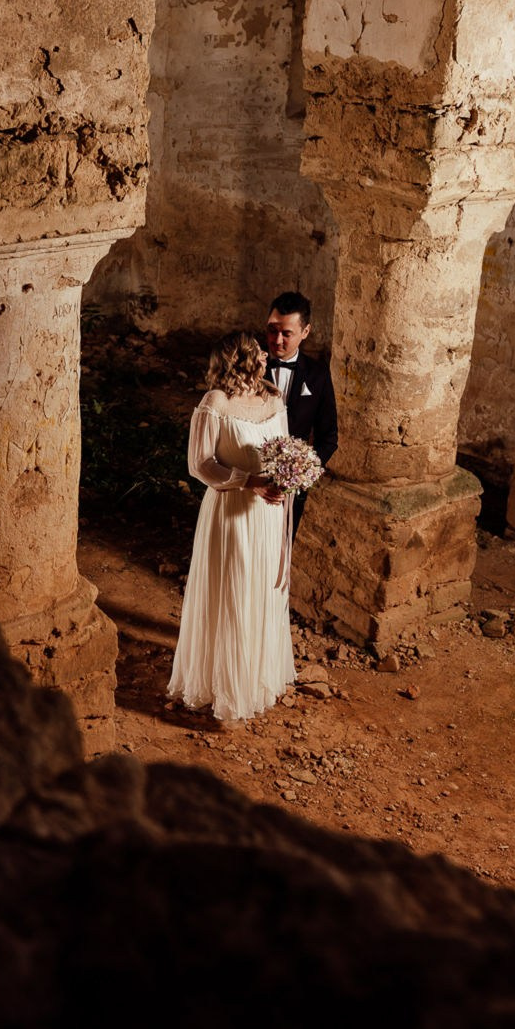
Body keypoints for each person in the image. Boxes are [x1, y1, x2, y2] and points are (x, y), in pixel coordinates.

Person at [167, 332, 298, 722]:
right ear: (238, 358)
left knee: (261, 589)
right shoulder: (215, 403)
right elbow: (200, 464)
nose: (264, 354)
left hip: (269, 511)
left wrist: (284, 479)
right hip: (231, 512)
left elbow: (286, 447)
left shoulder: (273, 397)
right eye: (256, 350)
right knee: (234, 590)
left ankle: (256, 677)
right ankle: (225, 687)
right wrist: (249, 481)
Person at [262, 290, 338, 536]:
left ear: (305, 332)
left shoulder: (318, 375)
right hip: (250, 478)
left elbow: (329, 437)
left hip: (292, 486)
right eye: (273, 331)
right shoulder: (250, 366)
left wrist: (302, 475)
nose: (277, 340)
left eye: (287, 333)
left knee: (283, 546)